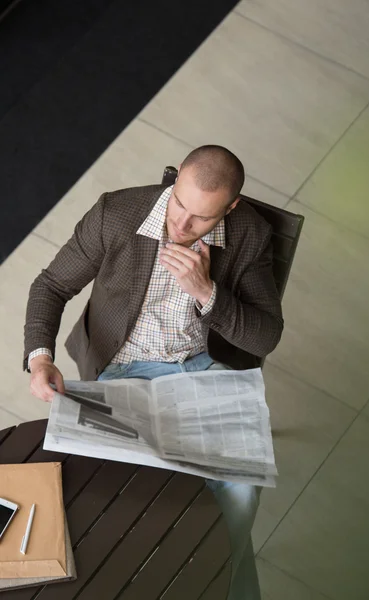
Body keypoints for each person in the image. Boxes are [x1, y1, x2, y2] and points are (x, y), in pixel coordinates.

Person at [24, 145, 283, 599]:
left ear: (231, 207)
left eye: (201, 218)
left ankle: (210, 582)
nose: (180, 225)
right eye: (179, 203)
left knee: (240, 486)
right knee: (121, 492)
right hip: (122, 371)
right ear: (176, 178)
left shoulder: (250, 235)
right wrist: (41, 358)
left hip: (198, 369)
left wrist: (208, 293)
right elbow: (51, 285)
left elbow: (265, 338)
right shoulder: (117, 213)